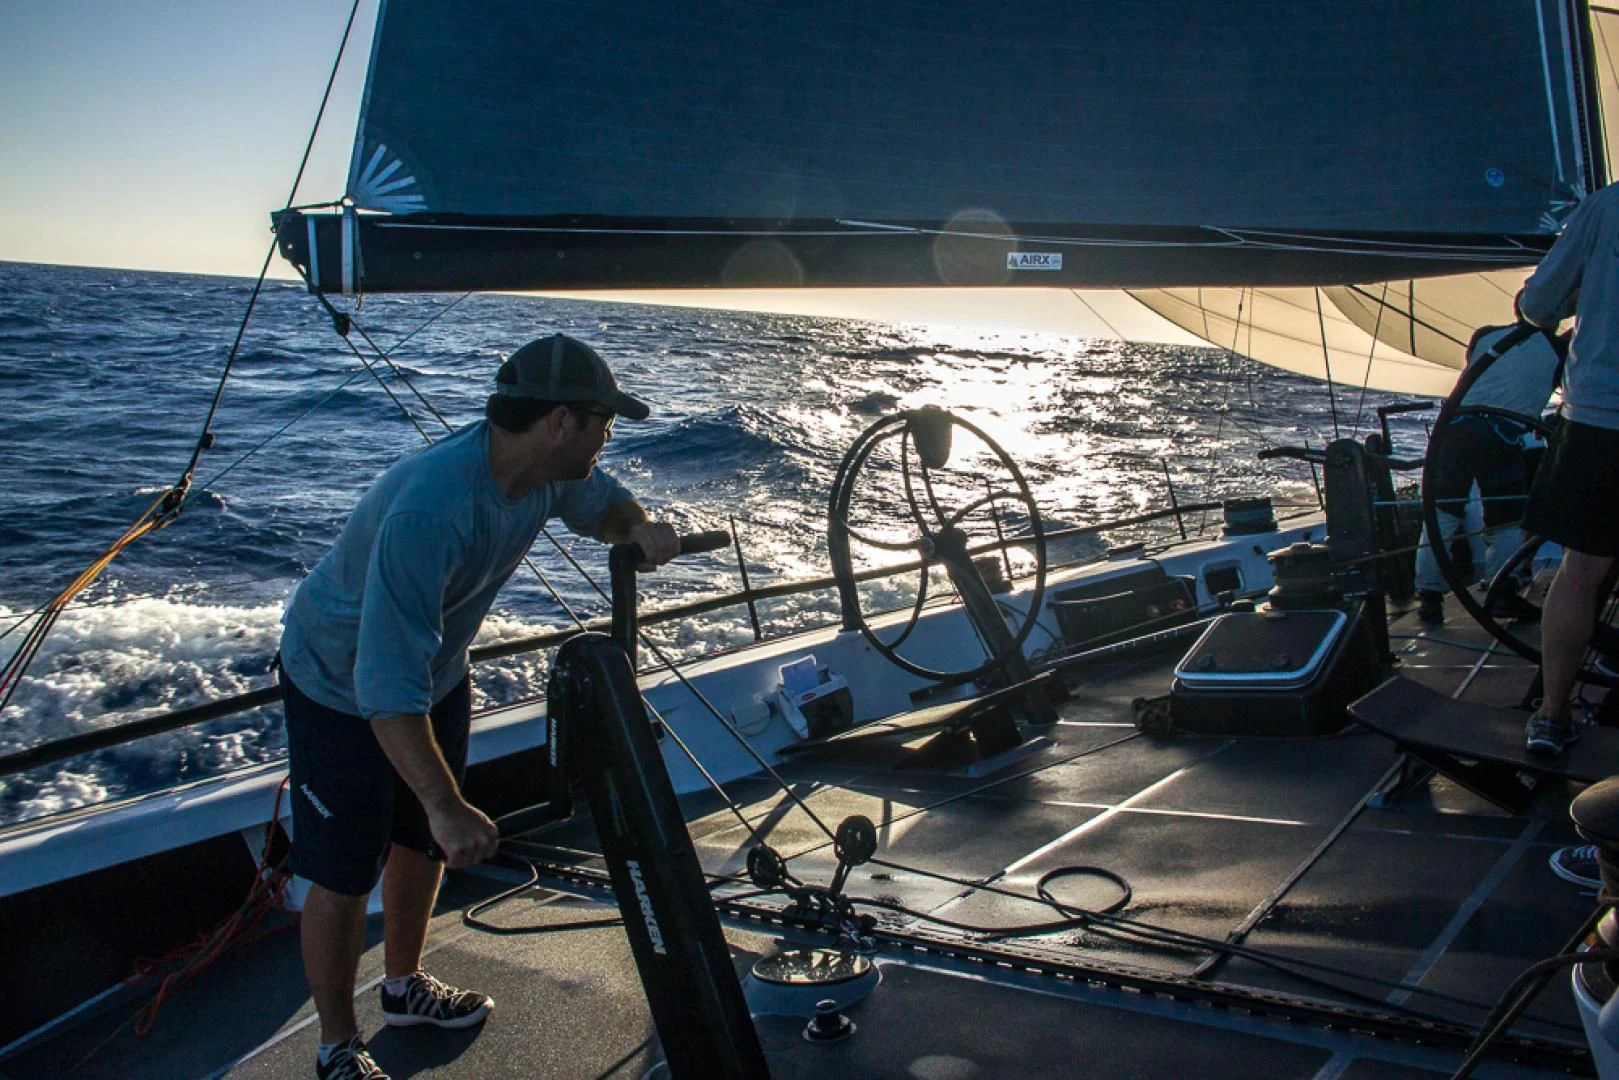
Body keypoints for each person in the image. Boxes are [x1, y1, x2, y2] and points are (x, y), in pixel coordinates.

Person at [277, 333, 679, 1080]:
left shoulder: (548, 470)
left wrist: (637, 527)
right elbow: (381, 686)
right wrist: (444, 802)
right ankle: (336, 1046)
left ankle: (403, 988)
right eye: (602, 422)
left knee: (420, 842)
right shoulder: (431, 509)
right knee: (343, 868)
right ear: (561, 421)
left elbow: (603, 503)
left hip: (430, 672)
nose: (608, 437)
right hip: (339, 683)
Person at [1413, 324, 1562, 625]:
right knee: (1506, 519)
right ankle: (1502, 593)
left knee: (1441, 514)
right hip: (1500, 438)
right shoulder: (1558, 350)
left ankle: (1429, 598)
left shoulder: (1485, 335)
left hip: (1453, 431)